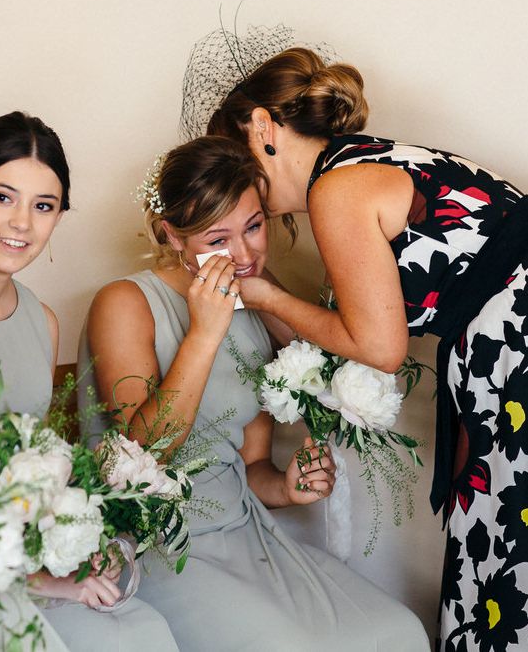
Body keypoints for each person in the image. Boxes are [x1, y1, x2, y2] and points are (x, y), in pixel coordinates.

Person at [205, 44, 528, 651]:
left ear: (263, 128)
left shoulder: (337, 190)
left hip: (518, 340)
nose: (235, 182)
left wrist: (268, 298)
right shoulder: (368, 160)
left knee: (515, 541)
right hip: (504, 338)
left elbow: (377, 346)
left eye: (233, 158)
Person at [80, 135, 429, 651]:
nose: (244, 256)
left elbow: (251, 466)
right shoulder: (125, 302)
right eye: (218, 238)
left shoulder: (257, 296)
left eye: (254, 226)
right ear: (171, 234)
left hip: (247, 532)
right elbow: (146, 450)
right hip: (157, 543)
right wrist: (204, 331)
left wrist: (287, 490)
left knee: (397, 632)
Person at [0, 112, 178, 651]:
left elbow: (36, 464)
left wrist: (73, 536)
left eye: (43, 206)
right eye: (3, 197)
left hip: (17, 555)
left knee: (145, 633)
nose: (22, 222)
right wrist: (45, 581)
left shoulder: (42, 321)